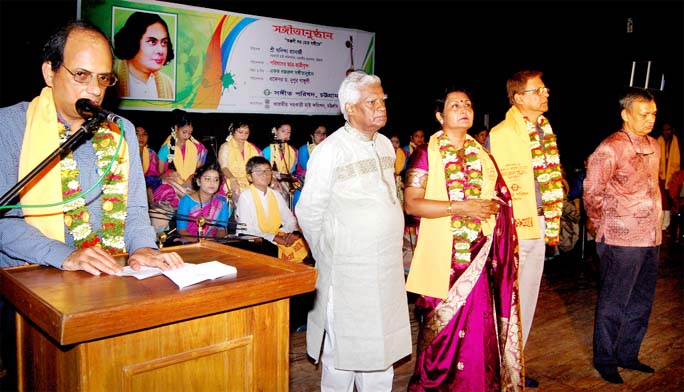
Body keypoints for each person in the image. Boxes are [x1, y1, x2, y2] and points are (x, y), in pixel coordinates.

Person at [0, 20, 183, 274]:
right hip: (28, 279)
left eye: (103, 78)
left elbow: (135, 209)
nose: (95, 89)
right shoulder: (10, 125)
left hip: (107, 276)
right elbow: (5, 222)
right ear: (49, 72)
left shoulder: (121, 131)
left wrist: (142, 248)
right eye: (81, 75)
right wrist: (67, 256)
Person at [295, 71, 412, 391]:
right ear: (349, 107)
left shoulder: (386, 145)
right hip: (349, 273)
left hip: (385, 270)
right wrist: (330, 252)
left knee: (380, 350)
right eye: (371, 101)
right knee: (344, 351)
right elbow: (307, 210)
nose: (381, 106)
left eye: (382, 99)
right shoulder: (330, 150)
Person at [404, 87, 523, 391]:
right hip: (442, 260)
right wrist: (460, 207)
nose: (463, 108)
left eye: (468, 104)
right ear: (439, 116)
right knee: (440, 333)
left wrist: (496, 208)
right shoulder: (424, 154)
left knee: (476, 332)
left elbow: (501, 200)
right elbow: (412, 203)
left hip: (479, 256)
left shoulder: (483, 156)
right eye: (454, 104)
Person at [487, 69, 563, 388]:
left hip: (542, 221)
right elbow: (491, 186)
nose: (545, 94)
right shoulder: (501, 134)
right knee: (505, 300)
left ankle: (514, 363)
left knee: (528, 299)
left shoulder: (545, 129)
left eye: (545, 89)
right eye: (538, 90)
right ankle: (494, 367)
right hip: (513, 228)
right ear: (519, 98)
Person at [583, 87, 661, 385]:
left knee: (641, 301)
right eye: (644, 114)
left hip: (650, 238)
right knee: (614, 301)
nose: (650, 119)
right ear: (625, 114)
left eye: (653, 113)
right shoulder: (610, 148)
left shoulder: (654, 145)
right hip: (620, 239)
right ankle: (605, 359)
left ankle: (628, 353)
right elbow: (592, 192)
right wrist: (600, 223)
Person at [235, 156, 308, 262]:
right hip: (254, 239)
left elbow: (289, 219)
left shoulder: (275, 195)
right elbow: (247, 230)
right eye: (259, 172)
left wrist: (292, 234)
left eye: (267, 171)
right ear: (250, 177)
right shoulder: (246, 196)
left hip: (276, 235)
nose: (264, 175)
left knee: (303, 241)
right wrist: (273, 238)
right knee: (268, 249)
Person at [150, 109, 208, 232]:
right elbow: (160, 173)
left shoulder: (197, 147)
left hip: (191, 183)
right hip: (173, 185)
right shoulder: (167, 148)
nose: (187, 136)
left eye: (190, 133)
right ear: (176, 129)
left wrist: (191, 177)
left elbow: (200, 168)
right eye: (184, 132)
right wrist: (169, 174)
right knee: (169, 185)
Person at [113, 11, 175, 99]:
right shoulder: (111, 76)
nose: (161, 50)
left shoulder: (169, 84)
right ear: (133, 41)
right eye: (152, 42)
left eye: (164, 42)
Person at [176, 162, 230, 242]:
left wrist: (214, 243)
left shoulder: (221, 201)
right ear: (198, 181)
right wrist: (200, 243)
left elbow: (221, 229)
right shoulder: (186, 201)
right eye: (207, 179)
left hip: (212, 243)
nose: (212, 183)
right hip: (189, 243)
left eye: (216, 180)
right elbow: (182, 231)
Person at [216, 119, 262, 205]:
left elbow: (258, 166)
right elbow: (224, 167)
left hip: (249, 180)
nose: (243, 136)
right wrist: (233, 180)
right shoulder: (226, 147)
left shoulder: (252, 148)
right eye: (240, 132)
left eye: (246, 133)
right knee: (239, 196)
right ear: (233, 132)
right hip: (230, 179)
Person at [262, 121, 300, 208]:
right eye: (283, 131)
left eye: (289, 132)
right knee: (278, 193)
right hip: (270, 180)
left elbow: (292, 171)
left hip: (287, 181)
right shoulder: (267, 150)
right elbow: (262, 170)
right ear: (275, 131)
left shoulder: (293, 151)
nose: (286, 135)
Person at [293, 125, 327, 208]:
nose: (321, 136)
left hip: (323, 188)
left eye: (324, 133)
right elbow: (307, 167)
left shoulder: (329, 149)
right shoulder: (304, 149)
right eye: (318, 133)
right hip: (305, 188)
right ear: (312, 135)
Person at [657, 122, 680, 230]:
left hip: (676, 177)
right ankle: (664, 223)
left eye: (668, 129)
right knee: (663, 200)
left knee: (674, 201)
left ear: (673, 130)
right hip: (661, 176)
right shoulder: (658, 141)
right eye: (664, 130)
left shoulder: (677, 142)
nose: (666, 132)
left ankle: (671, 224)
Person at [136, 125, 161, 204]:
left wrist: (148, 187)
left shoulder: (151, 154)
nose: (141, 137)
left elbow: (154, 176)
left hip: (147, 187)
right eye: (137, 134)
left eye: (144, 134)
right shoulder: (125, 152)